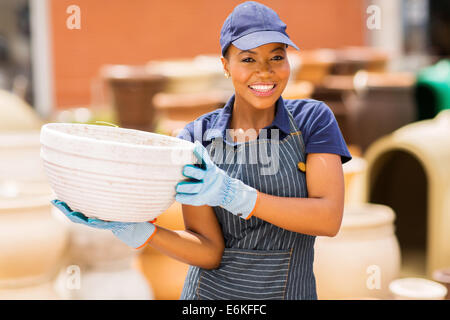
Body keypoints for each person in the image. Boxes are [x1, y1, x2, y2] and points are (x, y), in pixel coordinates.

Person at [52, 1, 352, 300]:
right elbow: (208, 250)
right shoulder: (198, 137)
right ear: (225, 65)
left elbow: (327, 219)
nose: (265, 72)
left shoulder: (313, 120)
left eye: (277, 57)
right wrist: (144, 232)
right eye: (248, 60)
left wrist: (235, 195)